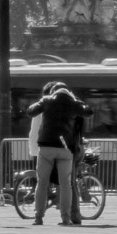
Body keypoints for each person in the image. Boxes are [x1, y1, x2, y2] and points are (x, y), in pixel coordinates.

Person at [26, 82, 92, 226]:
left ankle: (38, 217)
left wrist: (42, 101)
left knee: (42, 182)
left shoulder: (47, 100)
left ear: (53, 92)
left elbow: (31, 111)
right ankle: (65, 218)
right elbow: (89, 111)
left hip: (46, 147)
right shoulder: (74, 103)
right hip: (65, 148)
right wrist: (77, 102)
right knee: (65, 184)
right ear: (68, 92)